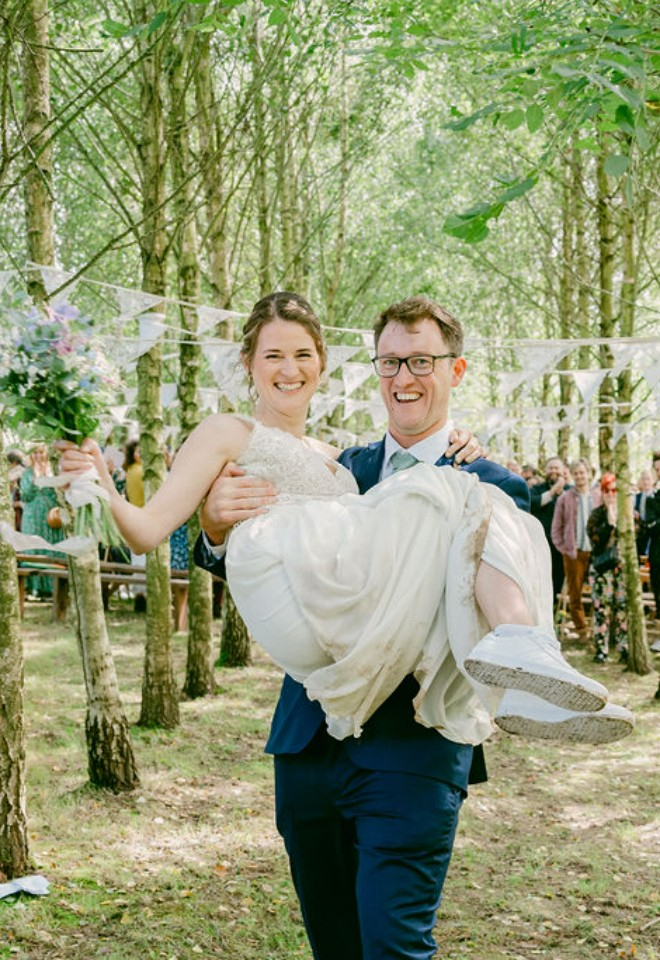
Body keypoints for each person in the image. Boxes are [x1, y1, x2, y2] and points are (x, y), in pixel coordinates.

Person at [59, 293, 632, 960]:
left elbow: (505, 556)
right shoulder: (345, 467)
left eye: (422, 360)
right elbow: (245, 560)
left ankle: (526, 657)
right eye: (390, 362)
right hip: (310, 744)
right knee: (334, 944)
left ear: (457, 370)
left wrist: (460, 474)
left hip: (413, 749)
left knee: (393, 946)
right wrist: (213, 522)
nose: (403, 377)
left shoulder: (491, 477)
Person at [551, 459, 601, 643]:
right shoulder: (565, 498)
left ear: (589, 473)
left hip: (596, 553)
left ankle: (600, 628)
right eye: (576, 473)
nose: (580, 476)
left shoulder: (598, 496)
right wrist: (564, 549)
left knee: (600, 591)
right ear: (572, 475)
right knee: (575, 593)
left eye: (582, 472)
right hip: (574, 553)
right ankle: (582, 630)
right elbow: (556, 528)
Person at [587, 473, 629, 663]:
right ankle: (601, 650)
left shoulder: (628, 513)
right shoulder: (596, 515)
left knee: (622, 608)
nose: (611, 494)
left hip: (621, 570)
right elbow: (596, 542)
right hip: (602, 569)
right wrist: (610, 525)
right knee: (601, 610)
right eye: (607, 491)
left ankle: (624, 648)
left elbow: (637, 536)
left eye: (614, 490)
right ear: (602, 493)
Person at [19, 443, 66, 599]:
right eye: (35, 453)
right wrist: (37, 478)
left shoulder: (54, 470)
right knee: (34, 549)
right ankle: (32, 588)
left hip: (51, 514)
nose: (38, 456)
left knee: (51, 548)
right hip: (32, 515)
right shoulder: (27, 473)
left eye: (41, 452)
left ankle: (51, 589)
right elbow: (25, 495)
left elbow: (60, 494)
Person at [530, 455, 569, 604]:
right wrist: (551, 493)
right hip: (540, 542)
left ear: (563, 471)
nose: (553, 471)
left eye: (556, 468)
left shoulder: (570, 491)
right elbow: (531, 504)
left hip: (562, 545)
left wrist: (562, 493)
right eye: (550, 468)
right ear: (545, 471)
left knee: (559, 579)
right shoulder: (536, 489)